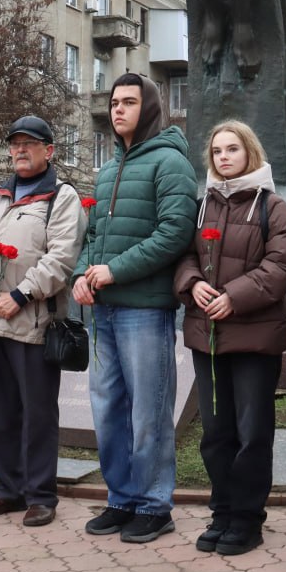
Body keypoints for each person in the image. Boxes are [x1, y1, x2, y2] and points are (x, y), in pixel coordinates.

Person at [71, 73, 198, 543]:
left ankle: (154, 505)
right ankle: (121, 499)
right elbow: (91, 238)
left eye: (128, 101)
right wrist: (82, 275)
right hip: (103, 310)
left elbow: (174, 234)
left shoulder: (170, 162)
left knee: (148, 411)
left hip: (144, 310)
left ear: (148, 108)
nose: (118, 109)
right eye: (114, 102)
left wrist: (113, 271)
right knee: (107, 409)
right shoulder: (108, 169)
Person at [173, 120, 286, 555]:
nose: (223, 157)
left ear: (250, 152)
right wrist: (192, 283)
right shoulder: (201, 204)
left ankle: (248, 519)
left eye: (232, 149)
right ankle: (222, 511)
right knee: (216, 432)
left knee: (251, 432)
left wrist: (233, 297)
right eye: (217, 151)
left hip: (254, 337)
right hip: (207, 336)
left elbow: (281, 267)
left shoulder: (272, 206)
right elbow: (183, 254)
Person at [0, 116, 86, 528]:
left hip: (33, 322)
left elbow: (62, 258)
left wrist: (19, 295)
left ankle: (40, 495)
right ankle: (8, 490)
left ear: (49, 151)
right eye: (15, 144)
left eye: (29, 144)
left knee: (37, 414)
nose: (20, 151)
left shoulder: (61, 197)